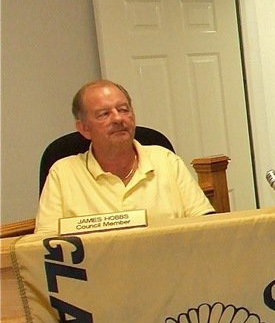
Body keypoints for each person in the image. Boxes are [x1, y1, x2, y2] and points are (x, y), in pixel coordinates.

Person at [35, 80, 214, 234]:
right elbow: (44, 246)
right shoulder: (62, 173)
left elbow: (206, 224)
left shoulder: (166, 160)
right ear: (84, 128)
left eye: (123, 110)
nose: (118, 118)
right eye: (104, 114)